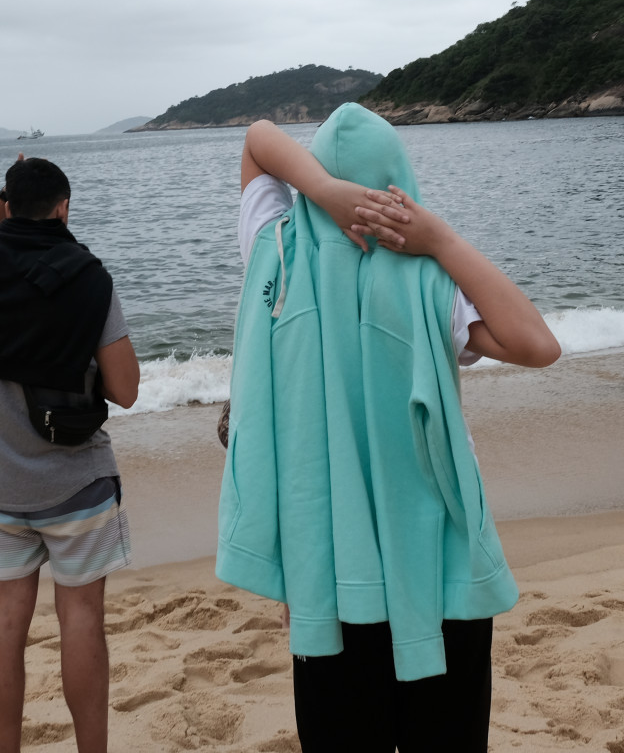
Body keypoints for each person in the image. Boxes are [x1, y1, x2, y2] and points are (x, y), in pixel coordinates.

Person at [217, 105, 561, 752]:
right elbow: (538, 345)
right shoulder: (428, 278)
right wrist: (443, 242)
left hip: (326, 566)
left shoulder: (276, 251)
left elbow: (258, 139)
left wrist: (321, 190)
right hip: (436, 566)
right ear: (398, 182)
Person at [0, 155, 141, 753]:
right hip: (76, 483)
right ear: (63, 209)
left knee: (4, 620)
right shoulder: (88, 278)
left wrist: (6, 191)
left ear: (8, 206)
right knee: (81, 618)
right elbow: (126, 389)